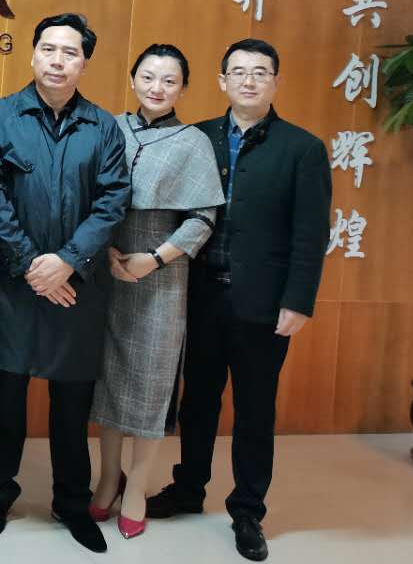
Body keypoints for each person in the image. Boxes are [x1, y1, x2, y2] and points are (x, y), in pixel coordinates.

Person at [146, 38, 330, 563]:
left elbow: (310, 233)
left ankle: (248, 510)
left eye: (261, 72)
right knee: (198, 400)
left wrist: (298, 301)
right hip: (200, 295)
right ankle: (188, 488)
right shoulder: (198, 136)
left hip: (263, 304)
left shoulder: (302, 148)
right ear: (222, 81)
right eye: (239, 72)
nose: (249, 81)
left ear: (275, 81)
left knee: (254, 410)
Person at [0, 12, 129, 555]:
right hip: (15, 282)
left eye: (70, 52)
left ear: (84, 62)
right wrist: (33, 264)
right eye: (49, 49)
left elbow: (112, 201)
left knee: (71, 403)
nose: (58, 61)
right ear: (33, 54)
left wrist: (67, 262)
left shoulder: (103, 127)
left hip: (76, 286)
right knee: (5, 398)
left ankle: (73, 503)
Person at [88, 43, 222, 542]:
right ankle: (108, 478)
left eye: (169, 80)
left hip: (163, 272)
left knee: (150, 381)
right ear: (132, 79)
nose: (157, 88)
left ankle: (138, 487)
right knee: (107, 378)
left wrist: (156, 257)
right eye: (148, 77)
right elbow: (90, 196)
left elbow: (203, 217)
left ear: (183, 88)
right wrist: (104, 250)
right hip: (106, 262)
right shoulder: (109, 128)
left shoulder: (193, 141)